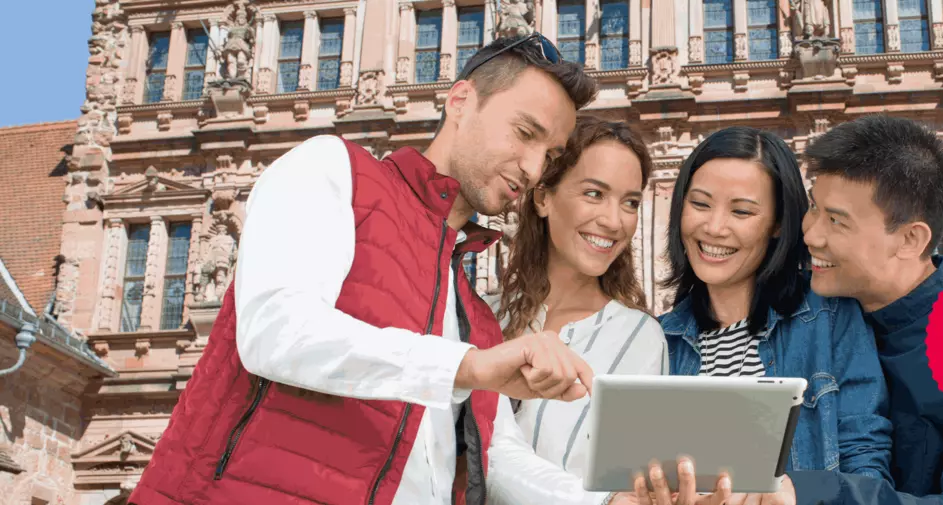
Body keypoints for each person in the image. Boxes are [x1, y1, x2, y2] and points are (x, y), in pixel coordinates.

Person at [127, 33, 604, 505]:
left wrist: (607, 502)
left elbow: (499, 455)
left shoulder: (476, 316)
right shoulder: (333, 169)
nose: (535, 168)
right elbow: (277, 329)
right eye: (525, 134)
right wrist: (465, 366)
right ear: (460, 101)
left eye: (551, 155)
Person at [792, 115, 943, 504]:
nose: (810, 234)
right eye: (813, 208)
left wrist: (814, 494)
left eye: (836, 221)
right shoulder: (808, 315)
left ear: (910, 239)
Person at [638, 126, 895, 505]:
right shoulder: (659, 340)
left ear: (778, 224)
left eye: (741, 211)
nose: (714, 228)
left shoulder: (831, 318)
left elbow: (867, 473)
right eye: (700, 204)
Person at [482, 115, 668, 505]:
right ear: (543, 197)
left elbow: (630, 481)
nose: (614, 221)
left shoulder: (639, 337)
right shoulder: (482, 315)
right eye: (594, 194)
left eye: (630, 202)